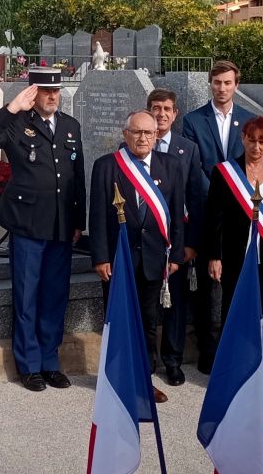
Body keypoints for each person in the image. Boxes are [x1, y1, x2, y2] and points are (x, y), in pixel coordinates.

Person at [0, 66, 86, 392]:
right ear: (34, 93)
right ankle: (29, 365)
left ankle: (50, 361)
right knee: (27, 296)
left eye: (56, 91)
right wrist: (11, 108)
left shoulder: (70, 125)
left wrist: (78, 221)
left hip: (61, 224)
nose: (52, 96)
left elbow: (77, 176)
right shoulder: (17, 123)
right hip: (27, 223)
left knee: (55, 295)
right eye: (46, 91)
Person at [89, 110, 184, 404]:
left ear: (156, 136)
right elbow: (98, 215)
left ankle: (144, 381)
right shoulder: (107, 166)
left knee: (147, 321)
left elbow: (177, 214)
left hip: (155, 258)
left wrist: (176, 255)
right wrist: (100, 257)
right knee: (117, 320)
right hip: (118, 259)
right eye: (137, 132)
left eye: (148, 133)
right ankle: (116, 380)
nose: (143, 138)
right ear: (125, 134)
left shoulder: (171, 165)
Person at [181, 60, 253, 374]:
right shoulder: (193, 120)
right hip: (205, 212)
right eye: (217, 82)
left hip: (238, 217)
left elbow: (251, 163)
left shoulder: (248, 120)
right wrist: (217, 194)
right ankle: (208, 350)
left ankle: (233, 347)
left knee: (234, 282)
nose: (222, 88)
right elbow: (194, 165)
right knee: (207, 285)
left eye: (227, 82)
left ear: (236, 84)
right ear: (210, 84)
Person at [203, 116, 263, 339]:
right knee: (233, 312)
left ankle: (261, 358)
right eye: (252, 140)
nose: (256, 147)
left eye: (262, 141)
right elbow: (214, 219)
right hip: (236, 257)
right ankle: (233, 357)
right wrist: (215, 256)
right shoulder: (225, 172)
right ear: (243, 138)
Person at [147, 89, 205, 388]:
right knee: (147, 304)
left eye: (167, 109)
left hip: (177, 240)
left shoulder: (188, 149)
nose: (161, 114)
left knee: (175, 304)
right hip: (145, 241)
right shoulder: (133, 145)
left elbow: (196, 198)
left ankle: (172, 361)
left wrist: (191, 244)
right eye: (156, 108)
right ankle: (147, 361)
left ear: (175, 114)